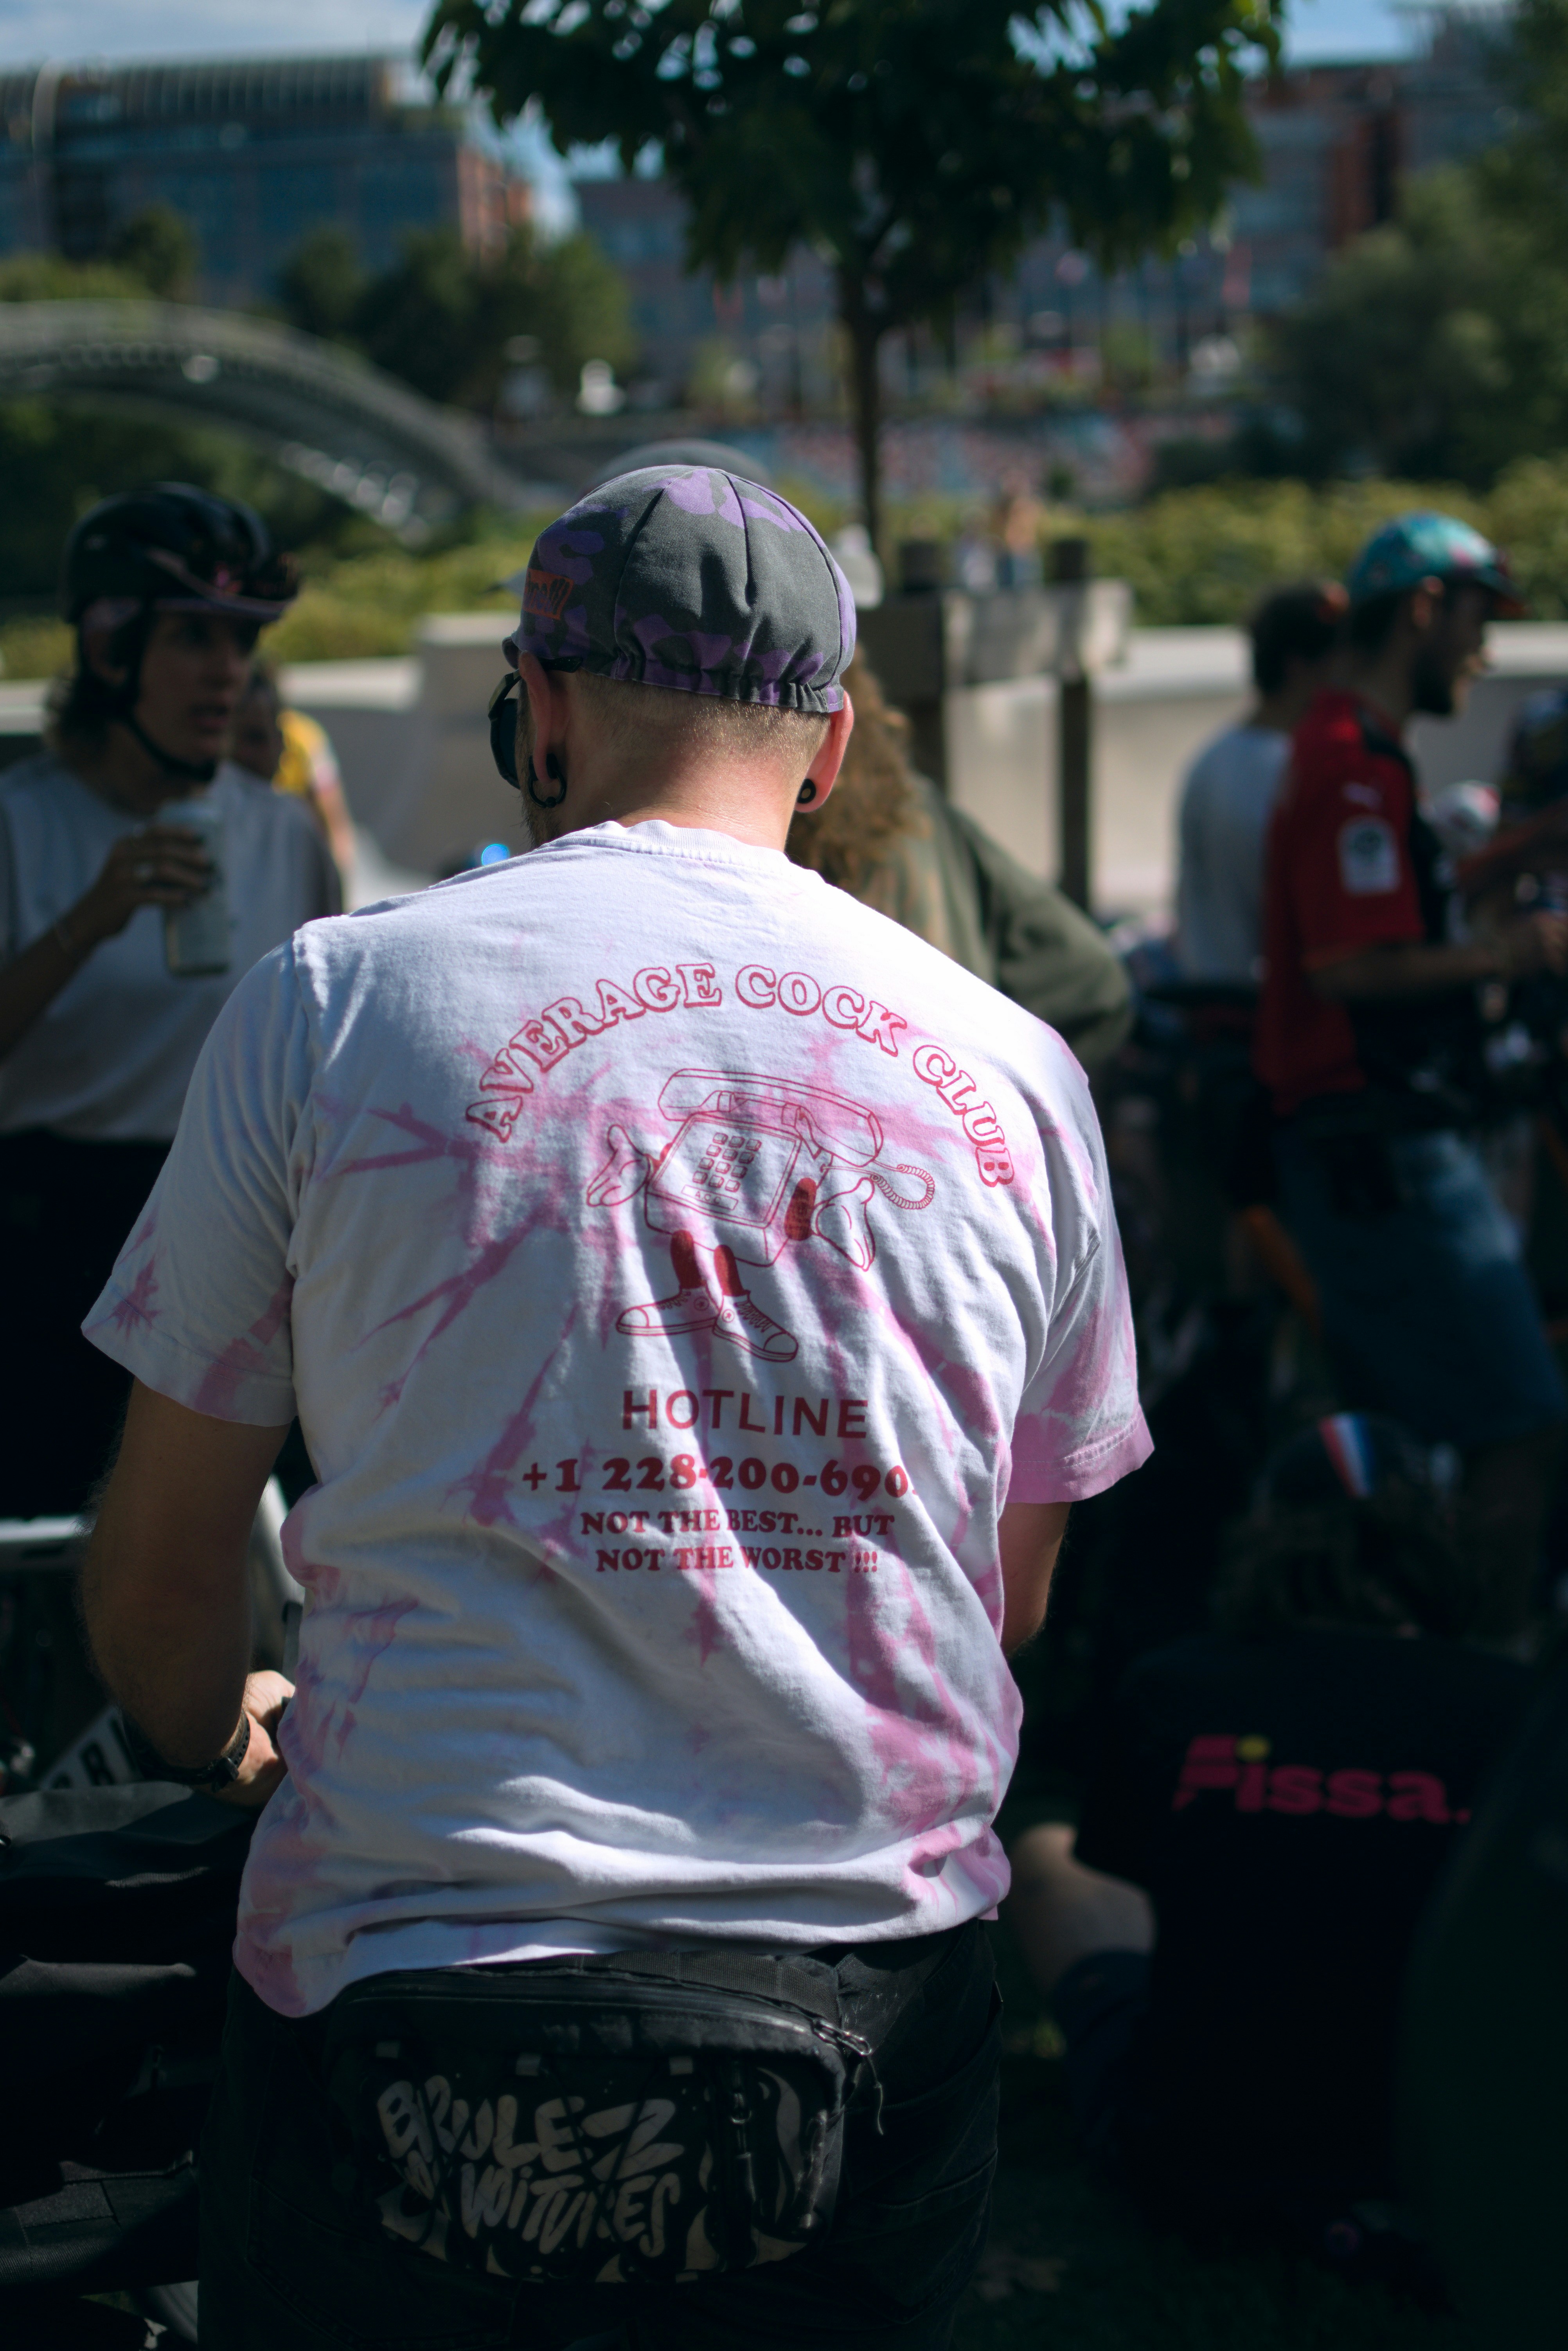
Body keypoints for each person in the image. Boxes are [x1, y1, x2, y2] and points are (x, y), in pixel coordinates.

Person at [77, 463, 1151, 2348]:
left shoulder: (333, 1003)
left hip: (403, 1980)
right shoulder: (1018, 1072)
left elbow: (162, 1578)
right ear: (828, 748)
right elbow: (1009, 1593)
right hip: (868, 2003)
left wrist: (225, 1730)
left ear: (541, 707)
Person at [1007, 1413, 1530, 2245]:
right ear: (1443, 1537)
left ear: (1263, 1532)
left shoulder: (1179, 1688)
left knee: (1045, 1837)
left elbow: (1124, 1869)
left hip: (1193, 2160)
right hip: (1458, 2173)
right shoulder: (1522, 1712)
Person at [1255, 511, 1568, 1634]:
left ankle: (1397, 1659)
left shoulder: (1350, 749)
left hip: (1364, 1147)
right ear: (1425, 608)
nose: (1485, 648)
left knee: (1405, 1429)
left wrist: (1515, 855)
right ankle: (1479, 1682)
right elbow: (1348, 963)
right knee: (1521, 1425)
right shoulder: (1351, 763)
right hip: (1381, 1146)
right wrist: (1508, 951)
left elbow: (1385, 908)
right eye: (1478, 616)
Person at [0, 484, 339, 1520]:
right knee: (62, 1540)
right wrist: (90, 920)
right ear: (111, 649)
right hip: (60, 1222)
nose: (228, 670)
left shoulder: (282, 830)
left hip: (248, 1220)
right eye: (194, 637)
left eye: (241, 641)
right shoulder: (21, 821)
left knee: (286, 1532)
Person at [786, 652, 1133, 1069]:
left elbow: (1092, 980)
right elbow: (1094, 979)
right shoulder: (917, 809)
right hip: (955, 1089)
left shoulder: (784, 848)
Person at [1174, 581, 1345, 987]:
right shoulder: (1289, 772)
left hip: (1206, 996)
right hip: (1260, 1007)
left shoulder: (1213, 758)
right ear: (1299, 667)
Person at [231, 660, 358, 889]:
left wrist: (336, 883)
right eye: (234, 739)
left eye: (258, 739)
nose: (244, 754)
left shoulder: (307, 740)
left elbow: (335, 824)